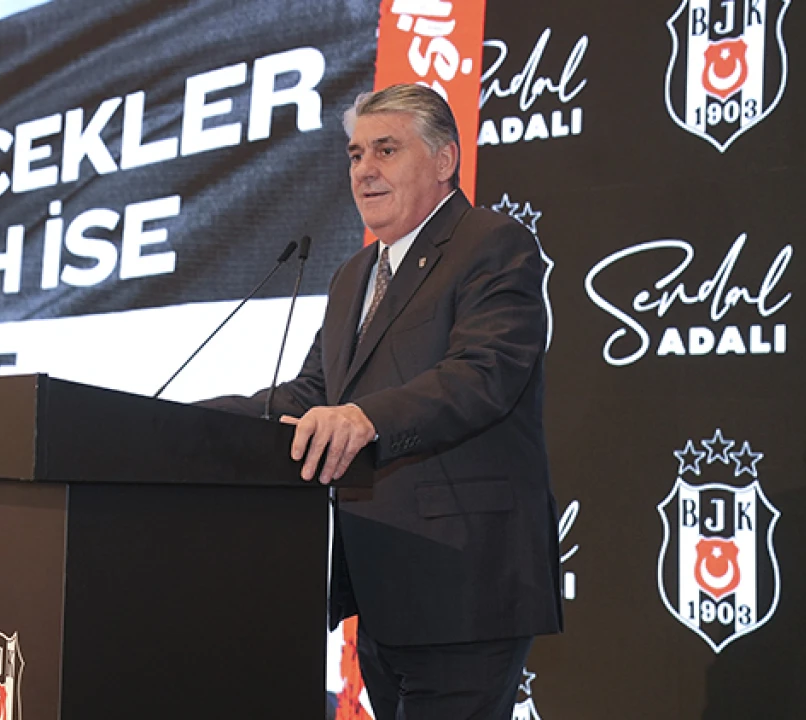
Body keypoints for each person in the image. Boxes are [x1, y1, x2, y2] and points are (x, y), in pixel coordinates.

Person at [200, 84, 562, 719]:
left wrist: (365, 418)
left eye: (386, 150)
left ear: (444, 159)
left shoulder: (492, 243)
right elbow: (314, 395)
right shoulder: (354, 276)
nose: (364, 169)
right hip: (382, 591)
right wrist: (198, 419)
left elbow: (482, 375)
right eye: (355, 154)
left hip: (466, 586)